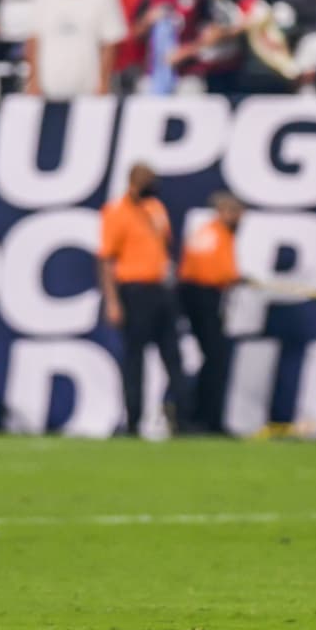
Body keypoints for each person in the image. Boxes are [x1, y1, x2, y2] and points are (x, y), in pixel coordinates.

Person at [98, 163, 186, 437]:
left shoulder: (155, 208)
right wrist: (112, 301)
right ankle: (134, 421)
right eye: (149, 180)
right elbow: (105, 259)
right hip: (134, 291)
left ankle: (182, 420)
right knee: (135, 358)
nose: (154, 184)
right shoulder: (116, 211)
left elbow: (163, 246)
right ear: (135, 180)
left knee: (173, 356)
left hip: (161, 290)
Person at [176, 192, 244, 436]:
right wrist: (237, 279)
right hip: (204, 297)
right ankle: (207, 419)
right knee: (217, 359)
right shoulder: (219, 234)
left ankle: (197, 415)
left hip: (194, 296)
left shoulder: (204, 232)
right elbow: (223, 273)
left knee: (212, 358)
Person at [26, 0, 127, 98]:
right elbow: (33, 40)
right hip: (49, 87)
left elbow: (110, 43)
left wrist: (103, 83)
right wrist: (33, 81)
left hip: (89, 88)